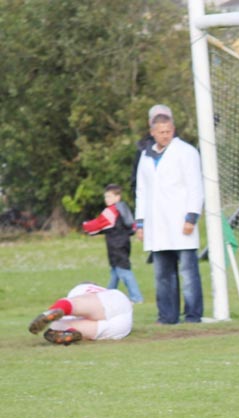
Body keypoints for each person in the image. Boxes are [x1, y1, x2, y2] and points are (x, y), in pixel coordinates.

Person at [135, 105, 204, 324]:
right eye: (161, 132)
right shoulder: (146, 156)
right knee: (162, 275)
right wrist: (140, 223)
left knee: (187, 272)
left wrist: (191, 216)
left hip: (180, 221)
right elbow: (141, 191)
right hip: (157, 225)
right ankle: (167, 316)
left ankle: (193, 315)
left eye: (168, 131)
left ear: (173, 129)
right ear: (152, 132)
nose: (165, 135)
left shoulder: (186, 152)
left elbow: (195, 186)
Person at [82, 184, 144, 304]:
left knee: (124, 271)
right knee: (115, 271)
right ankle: (108, 295)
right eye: (106, 197)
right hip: (123, 243)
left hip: (116, 246)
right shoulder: (123, 208)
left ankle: (136, 297)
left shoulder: (111, 211)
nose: (107, 199)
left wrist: (85, 226)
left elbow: (99, 223)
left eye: (109, 196)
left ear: (118, 197)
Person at [28, 282, 133, 345]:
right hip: (122, 323)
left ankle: (55, 316)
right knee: (59, 323)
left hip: (107, 308)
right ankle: (70, 332)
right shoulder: (105, 291)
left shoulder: (82, 288)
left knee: (67, 310)